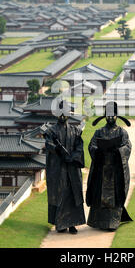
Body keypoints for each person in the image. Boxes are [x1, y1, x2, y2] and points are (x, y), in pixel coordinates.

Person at [86, 101, 133, 231]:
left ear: (116, 116)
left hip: (115, 170)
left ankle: (112, 222)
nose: (110, 118)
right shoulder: (99, 132)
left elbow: (127, 147)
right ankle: (98, 221)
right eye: (108, 116)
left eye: (113, 116)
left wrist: (117, 151)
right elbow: (92, 146)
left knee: (115, 194)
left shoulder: (122, 132)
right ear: (105, 116)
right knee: (99, 194)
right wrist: (99, 150)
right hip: (101, 169)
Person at [44, 100, 86, 234]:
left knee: (72, 195)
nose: (63, 116)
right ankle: (60, 224)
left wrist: (72, 156)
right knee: (60, 194)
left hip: (72, 169)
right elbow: (48, 145)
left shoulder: (75, 131)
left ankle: (72, 224)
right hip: (58, 169)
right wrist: (57, 149)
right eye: (60, 113)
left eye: (65, 113)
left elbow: (79, 147)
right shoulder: (51, 131)